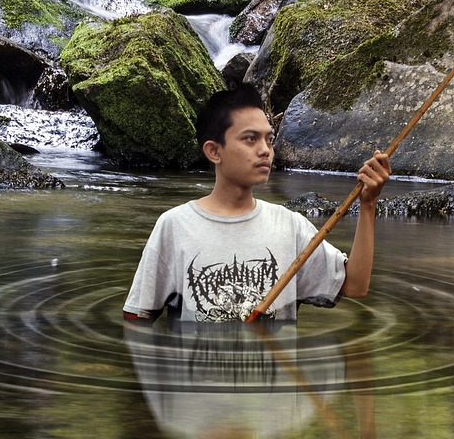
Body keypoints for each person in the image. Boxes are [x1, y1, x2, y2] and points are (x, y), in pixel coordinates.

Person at [122, 83, 391, 322]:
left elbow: (355, 286)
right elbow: (137, 317)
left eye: (269, 139)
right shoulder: (175, 226)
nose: (265, 150)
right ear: (214, 151)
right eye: (251, 139)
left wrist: (367, 205)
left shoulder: (290, 226)